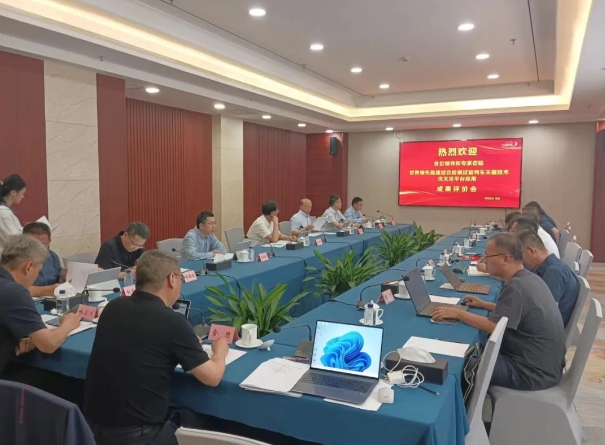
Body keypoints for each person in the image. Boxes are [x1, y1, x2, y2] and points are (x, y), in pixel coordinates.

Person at [85, 250, 229, 445]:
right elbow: (212, 377)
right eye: (180, 278)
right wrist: (220, 351)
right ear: (172, 279)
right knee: (208, 420)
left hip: (94, 430)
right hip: (141, 435)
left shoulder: (113, 307)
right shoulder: (173, 322)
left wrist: (184, 342)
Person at [432, 233, 566, 391]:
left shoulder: (516, 287)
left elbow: (493, 326)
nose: (484, 261)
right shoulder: (529, 278)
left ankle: (462, 406)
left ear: (505, 259)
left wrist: (458, 313)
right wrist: (486, 305)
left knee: (464, 364)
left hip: (531, 372)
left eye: (488, 256)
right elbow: (518, 313)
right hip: (546, 366)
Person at [0, 236, 81, 378]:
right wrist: (68, 324)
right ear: (28, 267)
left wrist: (23, 334)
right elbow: (48, 345)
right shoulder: (15, 292)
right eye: (38, 272)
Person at [517, 230, 580, 326]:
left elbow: (545, 314)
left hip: (545, 329)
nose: (520, 261)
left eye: (520, 256)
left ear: (531, 251)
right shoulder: (548, 267)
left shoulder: (555, 272)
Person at [22, 222, 65, 297]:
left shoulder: (53, 257)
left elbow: (58, 281)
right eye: (33, 243)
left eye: (42, 244)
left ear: (49, 242)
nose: (37, 248)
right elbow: (15, 289)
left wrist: (64, 278)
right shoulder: (15, 260)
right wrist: (47, 290)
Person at [0, 174, 26, 255]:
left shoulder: (5, 212)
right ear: (13, 192)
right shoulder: (3, 213)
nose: (23, 197)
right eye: (22, 193)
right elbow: (13, 239)